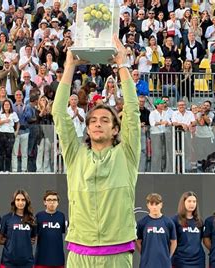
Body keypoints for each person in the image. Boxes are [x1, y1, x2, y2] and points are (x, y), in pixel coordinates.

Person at [51, 35, 140, 266]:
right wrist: (69, 65)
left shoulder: (127, 153)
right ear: (87, 129)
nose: (98, 123)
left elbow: (132, 110)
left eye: (105, 120)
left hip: (117, 252)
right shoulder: (75, 154)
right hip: (80, 251)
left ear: (115, 129)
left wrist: (122, 64)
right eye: (93, 121)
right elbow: (59, 113)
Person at [136, 193, 177, 268]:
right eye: (152, 204)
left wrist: (168, 256)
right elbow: (138, 242)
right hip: (146, 263)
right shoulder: (142, 223)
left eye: (157, 204)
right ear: (148, 205)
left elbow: (173, 242)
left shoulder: (169, 222)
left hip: (164, 263)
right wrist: (145, 254)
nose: (154, 207)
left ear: (161, 205)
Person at [0, 189, 37, 268]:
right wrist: (11, 243)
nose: (20, 202)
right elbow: (0, 238)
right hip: (8, 262)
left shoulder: (32, 219)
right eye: (18, 200)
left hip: (27, 262)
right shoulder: (6, 218)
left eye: (23, 200)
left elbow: (33, 238)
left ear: (27, 201)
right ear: (14, 201)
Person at [171, 191, 205, 268]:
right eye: (189, 201)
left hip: (198, 261)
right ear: (183, 202)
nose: (192, 204)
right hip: (180, 260)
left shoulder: (199, 221)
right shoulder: (174, 220)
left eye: (194, 201)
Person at [35, 190, 66, 268]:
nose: (52, 202)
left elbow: (61, 232)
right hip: (41, 259)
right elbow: (34, 235)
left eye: (54, 200)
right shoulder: (39, 216)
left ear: (58, 203)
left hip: (58, 260)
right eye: (49, 200)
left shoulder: (61, 216)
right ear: (44, 202)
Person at [0, 99, 20, 172]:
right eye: (5, 104)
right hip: (1, 133)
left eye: (8, 105)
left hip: (10, 134)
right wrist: (4, 121)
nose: (6, 106)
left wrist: (16, 131)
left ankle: (7, 170)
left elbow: (18, 123)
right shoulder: (0, 113)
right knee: (1, 153)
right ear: (3, 106)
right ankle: (1, 169)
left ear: (10, 106)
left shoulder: (13, 114)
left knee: (8, 153)